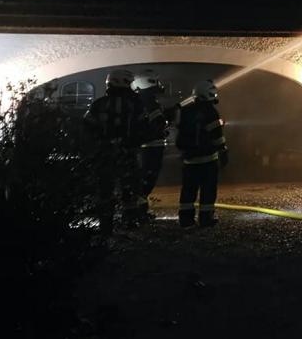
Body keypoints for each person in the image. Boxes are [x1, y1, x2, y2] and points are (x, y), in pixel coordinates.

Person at [82, 69, 145, 236]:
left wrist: (99, 143)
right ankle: (130, 222)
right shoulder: (134, 104)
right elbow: (143, 127)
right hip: (127, 153)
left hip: (104, 154)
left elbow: (87, 127)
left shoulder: (98, 104)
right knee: (129, 187)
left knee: (105, 188)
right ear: (123, 82)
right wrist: (133, 142)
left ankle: (106, 225)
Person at [176, 80, 227, 228]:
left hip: (189, 160)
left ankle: (185, 220)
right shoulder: (211, 112)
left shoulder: (186, 111)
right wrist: (223, 150)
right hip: (208, 159)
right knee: (208, 191)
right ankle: (206, 218)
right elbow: (217, 136)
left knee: (188, 191)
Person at [127, 68, 174, 224]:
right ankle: (139, 212)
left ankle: (138, 211)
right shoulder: (148, 101)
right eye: (156, 81)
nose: (159, 84)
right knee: (147, 178)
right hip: (150, 147)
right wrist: (168, 118)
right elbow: (158, 123)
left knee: (144, 178)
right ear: (147, 82)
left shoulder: (142, 100)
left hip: (147, 146)